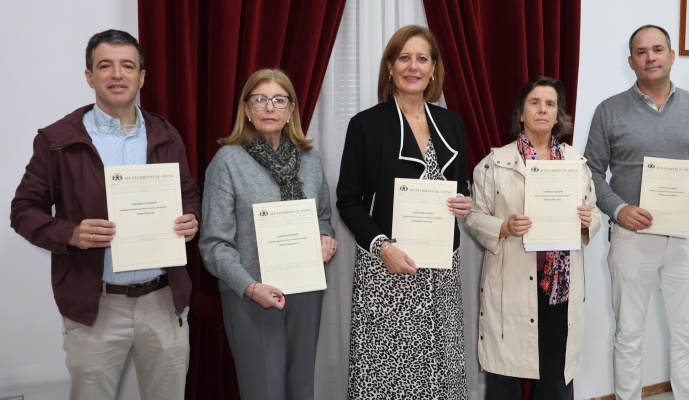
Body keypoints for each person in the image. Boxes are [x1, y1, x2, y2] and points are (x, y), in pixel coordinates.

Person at [9, 29, 199, 399]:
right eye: (105, 66)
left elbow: (187, 192)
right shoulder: (58, 140)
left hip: (163, 302)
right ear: (89, 76)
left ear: (141, 76)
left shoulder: (167, 134)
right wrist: (70, 234)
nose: (117, 74)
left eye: (127, 65)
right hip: (95, 307)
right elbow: (23, 210)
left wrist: (190, 216)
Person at [584, 25, 689, 400]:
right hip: (631, 239)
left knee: (686, 335)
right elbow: (590, 172)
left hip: (685, 238)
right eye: (641, 51)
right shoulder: (609, 110)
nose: (650, 57)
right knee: (629, 334)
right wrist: (618, 209)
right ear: (631, 61)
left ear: (671, 55)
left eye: (657, 49)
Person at [337, 25, 471, 399]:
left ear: (433, 69)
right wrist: (382, 247)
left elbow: (461, 186)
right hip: (388, 269)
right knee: (389, 378)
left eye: (422, 58)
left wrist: (465, 201)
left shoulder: (452, 123)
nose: (413, 66)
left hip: (441, 270)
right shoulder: (365, 125)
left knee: (441, 371)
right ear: (391, 67)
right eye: (404, 58)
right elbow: (348, 199)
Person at [199, 68, 338, 399]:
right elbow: (214, 243)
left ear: (291, 109)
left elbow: (322, 216)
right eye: (259, 100)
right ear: (246, 109)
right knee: (264, 391)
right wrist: (249, 287)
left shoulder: (309, 159)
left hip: (305, 292)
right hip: (252, 297)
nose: (269, 108)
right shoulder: (227, 161)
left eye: (278, 100)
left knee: (301, 388)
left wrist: (325, 238)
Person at [466, 76, 601, 400]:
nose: (543, 109)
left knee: (555, 374)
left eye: (550, 104)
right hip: (511, 282)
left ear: (558, 115)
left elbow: (594, 211)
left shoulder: (575, 163)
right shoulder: (495, 163)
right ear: (521, 113)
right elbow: (473, 215)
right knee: (505, 374)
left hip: (559, 286)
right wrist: (504, 227)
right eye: (535, 102)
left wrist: (587, 222)